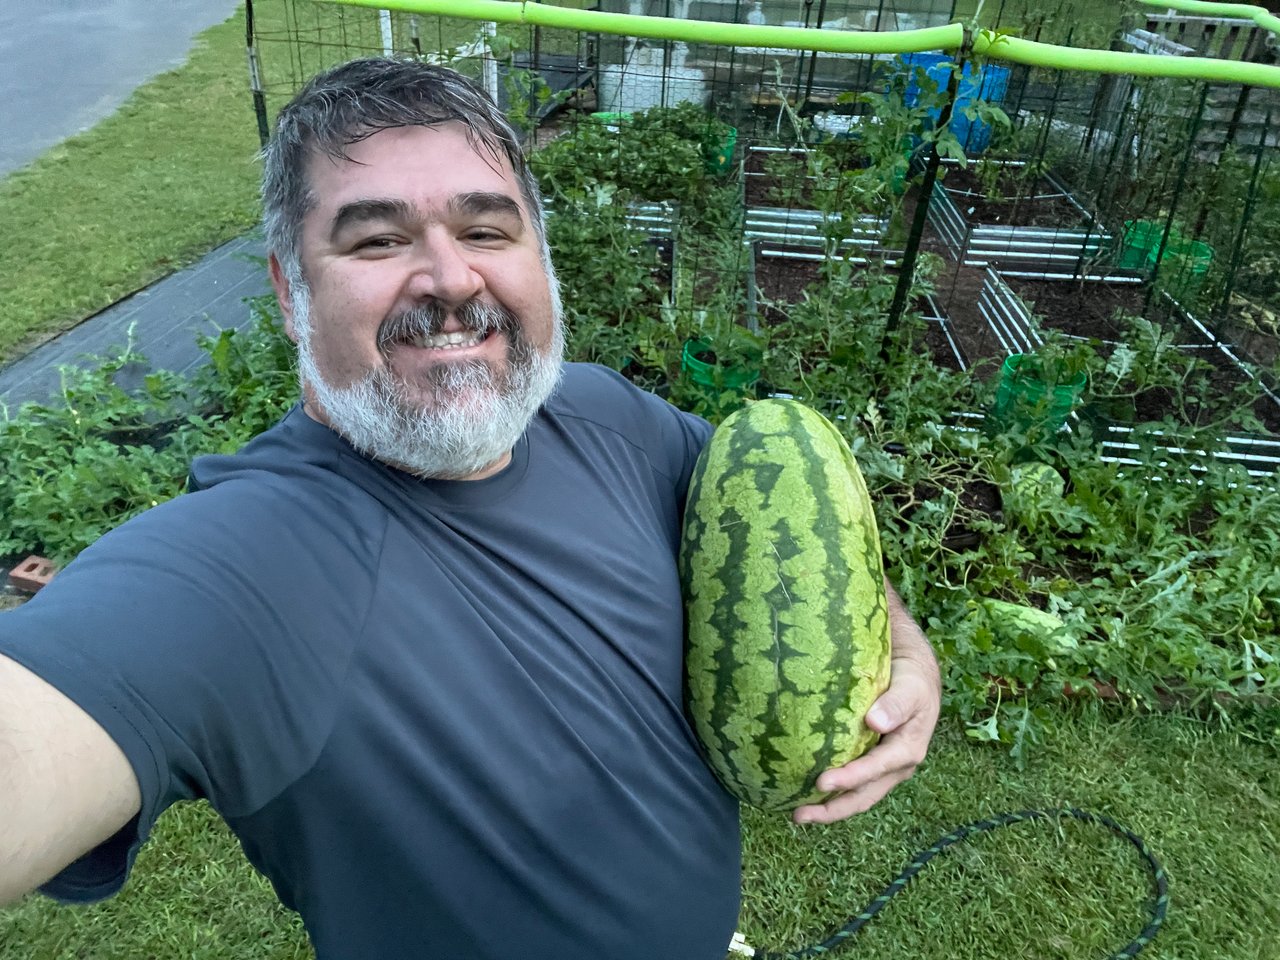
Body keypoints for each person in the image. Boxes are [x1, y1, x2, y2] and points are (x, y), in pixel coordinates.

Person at [0, 58, 940, 959]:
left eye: (487, 231)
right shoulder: (246, 564)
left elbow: (802, 543)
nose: (451, 280)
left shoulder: (607, 416)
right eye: (376, 239)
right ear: (292, 293)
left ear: (541, 256)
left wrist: (902, 644)